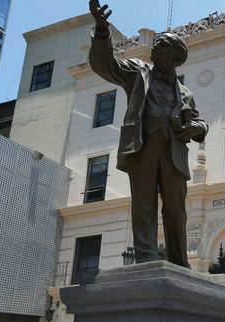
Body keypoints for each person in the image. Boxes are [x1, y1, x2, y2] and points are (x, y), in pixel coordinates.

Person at [88, 0, 209, 268]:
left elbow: (201, 125)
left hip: (173, 154)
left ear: (176, 58)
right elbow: (105, 65)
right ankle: (146, 258)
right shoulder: (137, 72)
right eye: (157, 42)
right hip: (142, 147)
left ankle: (179, 263)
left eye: (162, 44)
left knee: (176, 210)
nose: (155, 45)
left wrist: (195, 128)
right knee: (144, 206)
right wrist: (102, 30)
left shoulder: (186, 93)